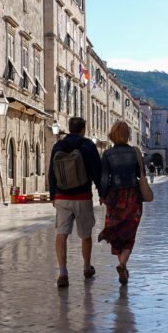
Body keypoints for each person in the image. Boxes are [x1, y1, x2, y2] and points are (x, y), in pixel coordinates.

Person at [49, 117, 102, 287]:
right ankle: (86, 267)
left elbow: (51, 172)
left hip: (62, 196)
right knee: (85, 235)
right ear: (83, 129)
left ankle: (63, 272)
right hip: (82, 196)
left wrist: (53, 195)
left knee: (61, 234)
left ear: (69, 128)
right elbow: (97, 171)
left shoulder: (58, 146)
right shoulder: (88, 146)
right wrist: (102, 193)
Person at [97, 121, 145, 285]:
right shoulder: (134, 152)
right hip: (132, 195)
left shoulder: (107, 154)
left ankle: (122, 265)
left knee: (117, 231)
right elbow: (141, 173)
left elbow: (104, 178)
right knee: (129, 231)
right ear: (128, 135)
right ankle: (122, 264)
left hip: (114, 197)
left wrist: (102, 195)